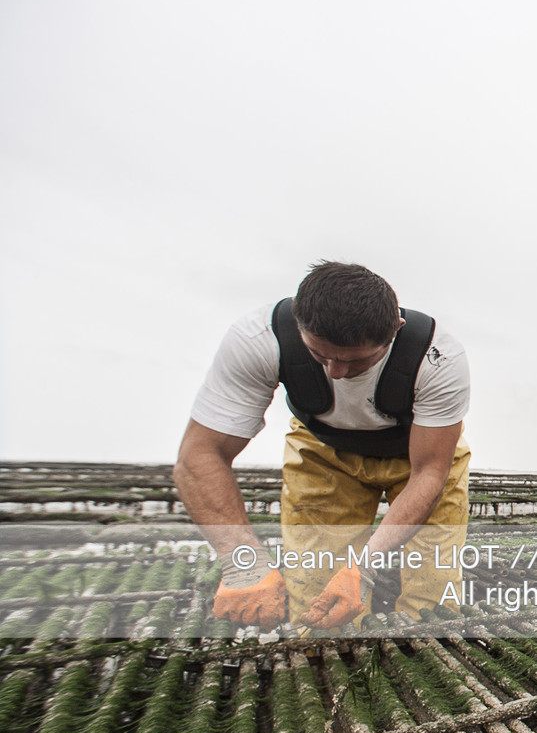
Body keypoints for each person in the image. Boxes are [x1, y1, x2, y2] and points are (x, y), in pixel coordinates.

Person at [174, 262, 471, 630]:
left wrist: (364, 568)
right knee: (316, 592)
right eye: (320, 355)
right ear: (300, 326)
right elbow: (200, 455)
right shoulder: (258, 339)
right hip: (323, 451)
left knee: (433, 588)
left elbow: (430, 471)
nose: (336, 372)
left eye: (355, 360)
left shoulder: (438, 358)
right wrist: (241, 561)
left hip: (419, 455)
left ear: (395, 329)